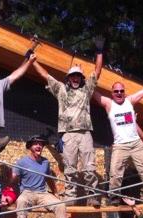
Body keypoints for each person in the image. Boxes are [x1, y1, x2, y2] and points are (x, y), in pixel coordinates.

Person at [31, 37, 104, 206]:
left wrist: (99, 52)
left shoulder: (87, 89)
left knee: (89, 166)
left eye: (78, 76)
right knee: (70, 167)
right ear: (68, 78)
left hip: (85, 132)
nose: (76, 78)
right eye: (73, 76)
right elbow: (45, 76)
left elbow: (98, 71)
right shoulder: (61, 90)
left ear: (81, 78)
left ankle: (92, 195)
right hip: (68, 134)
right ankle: (71, 196)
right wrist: (33, 60)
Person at [92, 80, 143, 204]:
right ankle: (114, 198)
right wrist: (84, 80)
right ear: (112, 93)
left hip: (136, 144)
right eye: (116, 91)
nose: (119, 93)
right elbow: (93, 92)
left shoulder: (129, 101)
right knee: (115, 175)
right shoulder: (109, 104)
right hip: (120, 146)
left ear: (125, 92)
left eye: (121, 91)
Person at [12, 135, 70, 218]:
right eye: (36, 144)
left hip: (42, 193)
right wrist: (13, 177)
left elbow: (48, 178)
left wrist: (55, 192)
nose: (39, 146)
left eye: (41, 144)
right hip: (27, 192)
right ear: (30, 146)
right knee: (21, 201)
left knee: (61, 205)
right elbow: (13, 179)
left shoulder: (45, 162)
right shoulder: (22, 162)